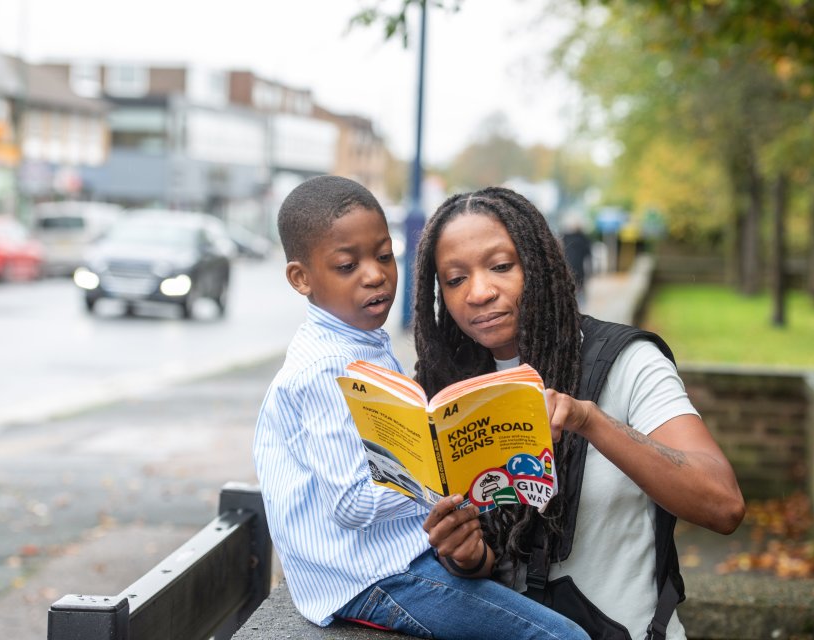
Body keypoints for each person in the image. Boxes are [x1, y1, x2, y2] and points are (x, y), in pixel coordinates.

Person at [252, 175, 588, 640]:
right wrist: (447, 470)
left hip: (398, 558)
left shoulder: (361, 344)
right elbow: (351, 502)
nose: (375, 274)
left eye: (384, 256)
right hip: (370, 576)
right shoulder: (325, 368)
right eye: (348, 266)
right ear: (301, 278)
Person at [411, 186, 745, 639]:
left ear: (540, 264)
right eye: (454, 279)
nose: (480, 292)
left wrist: (591, 421)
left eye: (501, 266)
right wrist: (467, 556)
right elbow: (496, 559)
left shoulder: (629, 361)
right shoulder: (448, 391)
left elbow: (723, 505)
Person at [558, 215, 592, 308]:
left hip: (566, 271)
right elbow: (588, 258)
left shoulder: (563, 238)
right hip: (580, 272)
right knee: (580, 297)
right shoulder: (584, 239)